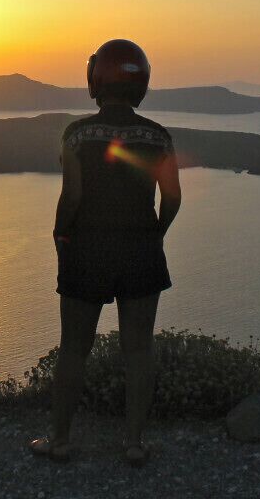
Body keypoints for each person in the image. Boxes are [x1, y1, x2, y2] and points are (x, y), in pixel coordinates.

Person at [29, 39, 182, 467]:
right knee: (139, 351)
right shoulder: (158, 137)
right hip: (141, 251)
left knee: (74, 349)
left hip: (87, 250)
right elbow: (172, 198)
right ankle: (133, 444)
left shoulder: (77, 135)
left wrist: (61, 235)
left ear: (96, 78)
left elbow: (72, 197)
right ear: (141, 82)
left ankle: (60, 441)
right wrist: (156, 234)